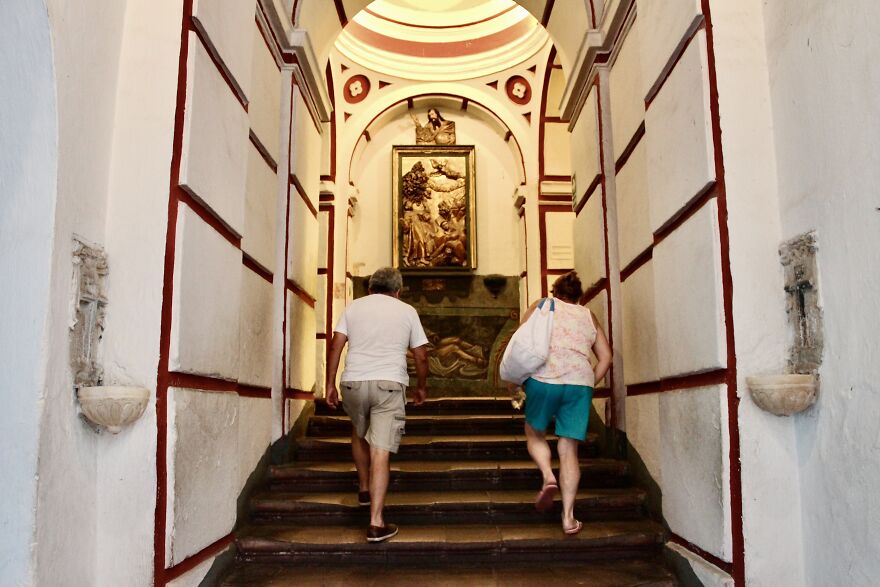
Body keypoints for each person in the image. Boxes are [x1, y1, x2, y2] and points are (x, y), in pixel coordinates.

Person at [325, 267, 429, 543]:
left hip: (354, 384)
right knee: (380, 452)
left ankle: (363, 487)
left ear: (370, 288)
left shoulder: (353, 307)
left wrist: (329, 384)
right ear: (398, 291)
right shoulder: (407, 311)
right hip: (389, 384)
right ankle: (376, 522)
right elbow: (421, 355)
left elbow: (336, 345)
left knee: (359, 432)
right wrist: (421, 387)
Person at [518, 271, 612, 535]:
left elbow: (521, 342)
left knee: (534, 432)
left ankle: (548, 475)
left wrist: (516, 379)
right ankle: (568, 517)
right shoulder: (588, 316)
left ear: (555, 293)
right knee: (569, 448)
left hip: (544, 379)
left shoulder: (541, 306)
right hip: (579, 383)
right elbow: (606, 357)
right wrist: (588, 381)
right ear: (578, 297)